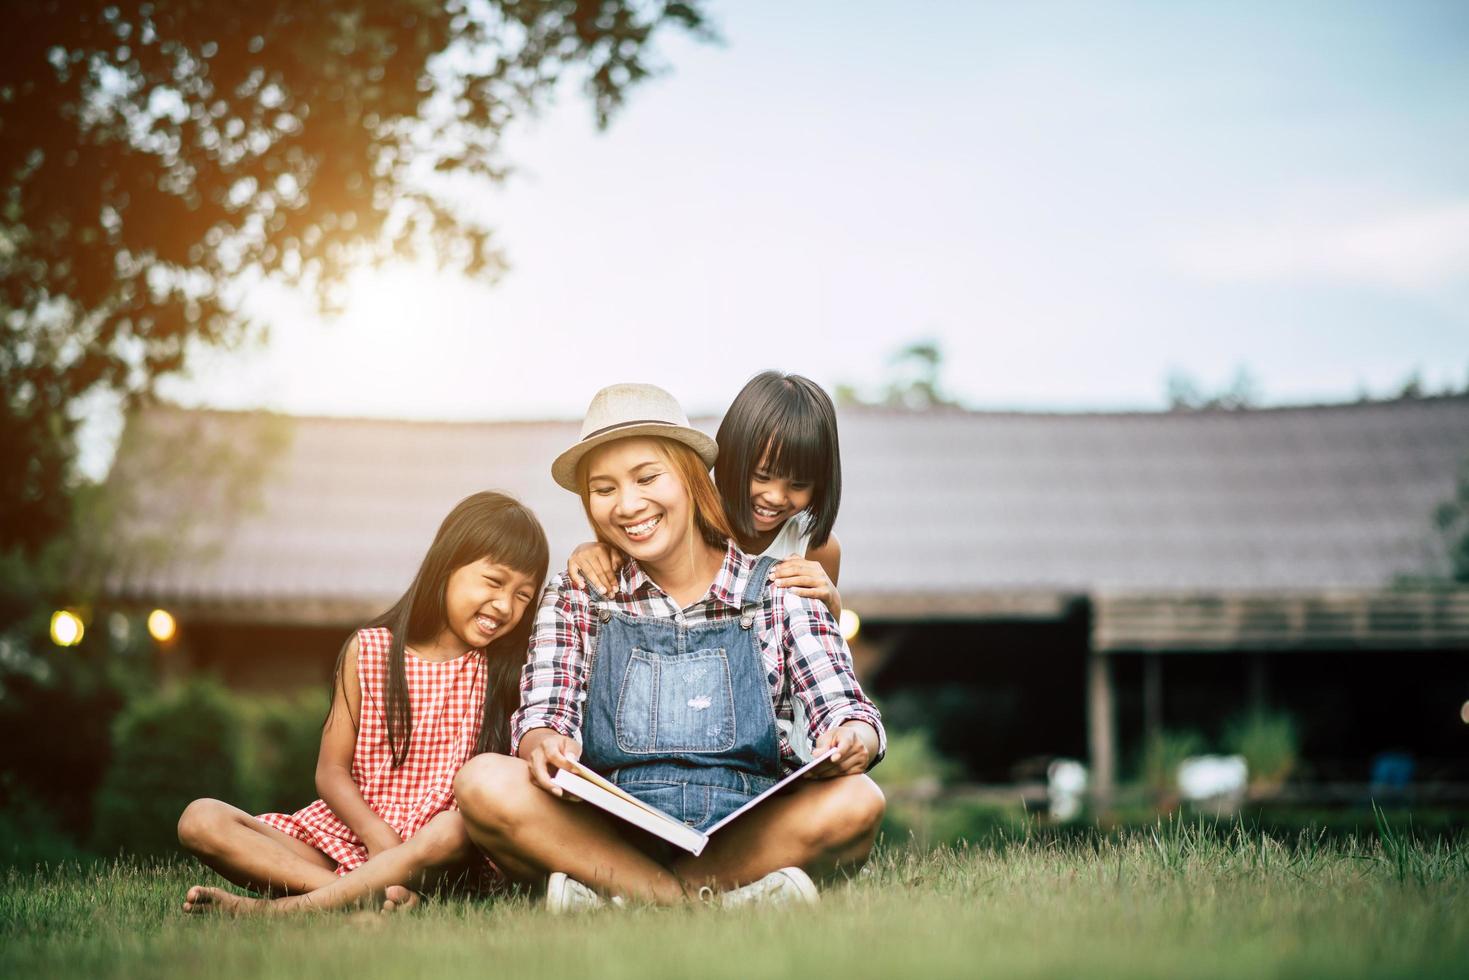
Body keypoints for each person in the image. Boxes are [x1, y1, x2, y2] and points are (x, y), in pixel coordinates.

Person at [454, 383, 886, 912]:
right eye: (604, 489)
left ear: (689, 476)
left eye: (646, 478)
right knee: (484, 782)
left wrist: (853, 734)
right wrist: (542, 741)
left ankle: (619, 900)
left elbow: (842, 701)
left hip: (744, 826)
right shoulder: (578, 591)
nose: (629, 505)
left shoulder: (784, 585)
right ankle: (701, 905)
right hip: (608, 827)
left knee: (858, 800)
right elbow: (545, 709)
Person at [176, 491, 549, 915]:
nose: (505, 606)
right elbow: (331, 771)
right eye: (494, 581)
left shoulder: (509, 668)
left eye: (523, 595)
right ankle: (364, 898)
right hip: (351, 839)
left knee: (452, 829)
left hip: (436, 856)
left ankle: (283, 910)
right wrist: (375, 835)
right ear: (446, 565)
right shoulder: (368, 650)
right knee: (201, 818)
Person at [568, 370, 844, 617]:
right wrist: (589, 550)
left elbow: (822, 634)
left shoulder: (818, 549)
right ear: (732, 459)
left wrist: (832, 600)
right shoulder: (687, 518)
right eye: (762, 477)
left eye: (798, 485)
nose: (775, 497)